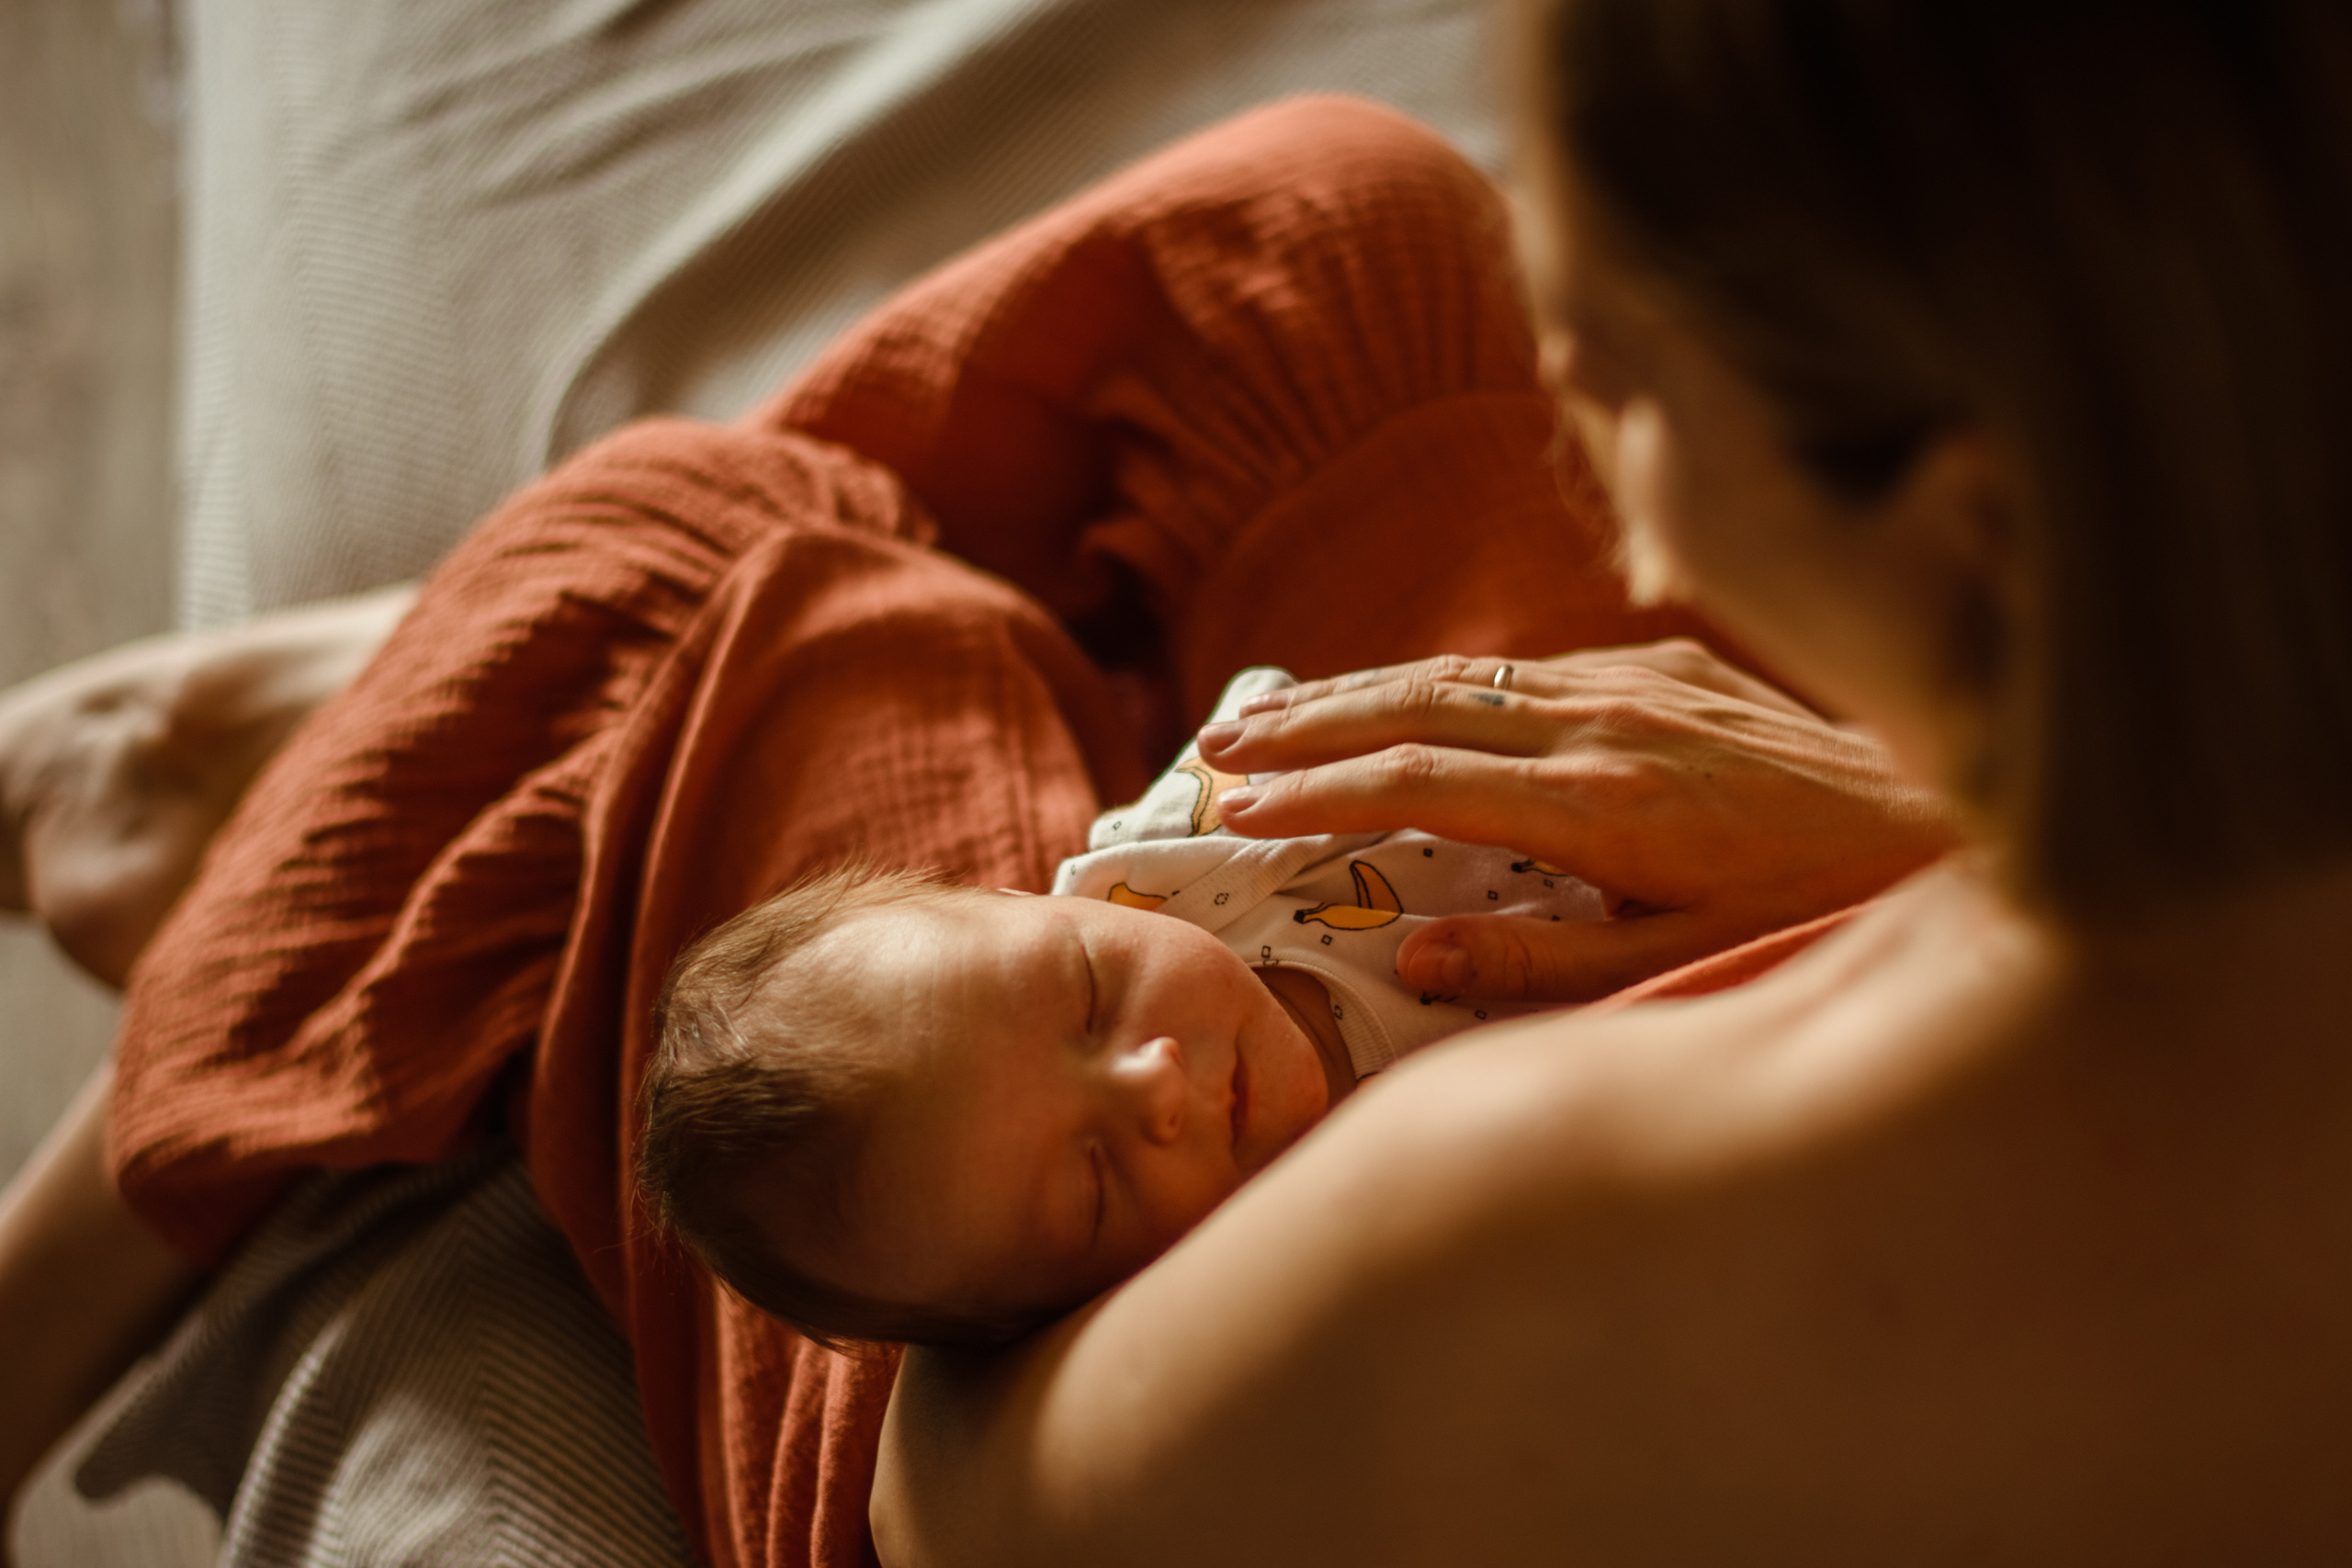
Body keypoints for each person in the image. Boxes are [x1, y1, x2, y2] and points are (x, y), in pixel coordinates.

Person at [2, 93, 1951, 1568]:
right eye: (1093, 977)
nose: (1172, 1072)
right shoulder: (1123, 965)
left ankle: (78, 1238)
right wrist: (1915, 824)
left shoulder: (1135, 1246)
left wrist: (1920, 867)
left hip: (1062, 1391)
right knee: (1336, 234)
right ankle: (469, 670)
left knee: (745, 589)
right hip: (1858, 866)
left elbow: (985, 1463)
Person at [868, 1, 2352, 1562]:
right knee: (1337, 226)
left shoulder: (1495, 1222)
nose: (1619, 499)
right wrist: (1930, 813)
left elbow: (944, 1507)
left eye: (1629, 391)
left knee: (691, 555)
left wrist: (1013, 1078)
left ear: (1975, 528)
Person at [639, 665, 1662, 1347]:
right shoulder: (1270, 1294)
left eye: (1090, 998)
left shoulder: (1182, 862)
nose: (1157, 1083)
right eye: (1090, 1182)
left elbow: (1338, 719)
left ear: (1025, 899)